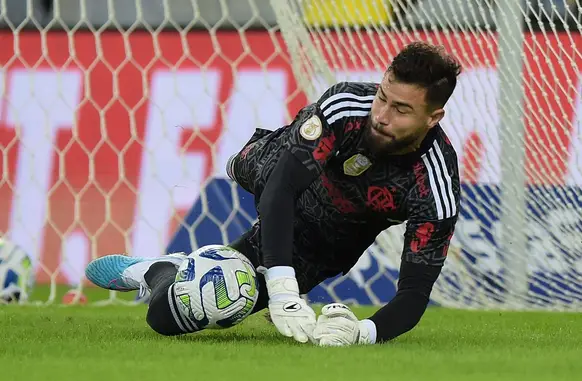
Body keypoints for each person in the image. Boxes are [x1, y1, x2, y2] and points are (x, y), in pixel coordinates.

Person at [85, 41, 462, 346]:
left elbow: (413, 293)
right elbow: (282, 188)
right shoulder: (346, 108)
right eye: (382, 97)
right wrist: (283, 290)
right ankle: (212, 263)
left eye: (401, 110)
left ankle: (164, 270)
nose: (381, 115)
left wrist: (363, 333)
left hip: (320, 243)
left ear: (434, 118)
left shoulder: (435, 185)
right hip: (275, 169)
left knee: (170, 317)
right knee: (276, 174)